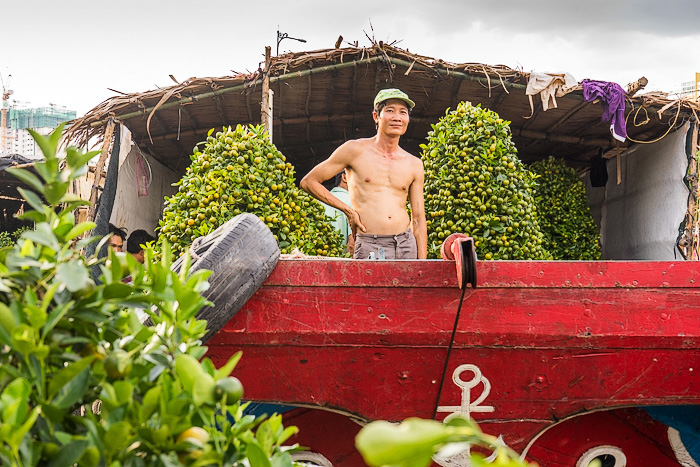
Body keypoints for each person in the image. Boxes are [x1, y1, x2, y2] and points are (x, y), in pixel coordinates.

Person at [300, 88, 427, 259]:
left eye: (403, 112)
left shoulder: (414, 164)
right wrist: (348, 211)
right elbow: (309, 182)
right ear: (376, 116)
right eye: (390, 111)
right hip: (370, 243)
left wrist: (423, 265)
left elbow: (418, 219)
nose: (397, 117)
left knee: (408, 286)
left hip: (405, 244)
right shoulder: (354, 150)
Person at [321, 170, 354, 254]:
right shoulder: (353, 202)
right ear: (344, 177)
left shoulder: (319, 201)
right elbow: (352, 245)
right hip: (340, 263)